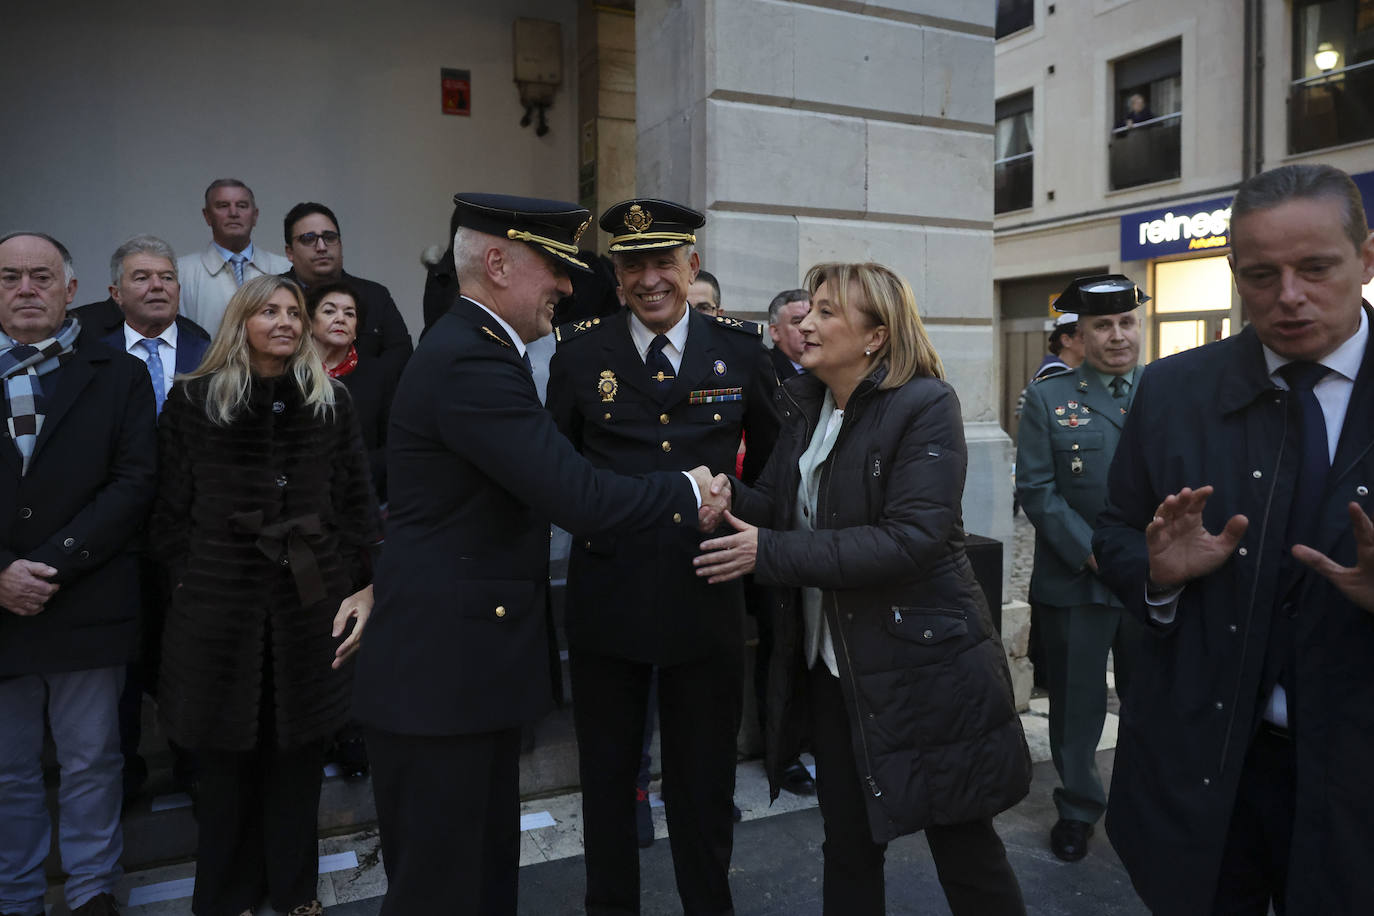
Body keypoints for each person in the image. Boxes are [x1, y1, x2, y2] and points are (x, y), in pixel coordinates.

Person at [351, 193, 723, 916]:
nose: (565, 284)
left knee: (480, 879)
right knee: (444, 889)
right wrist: (685, 488)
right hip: (443, 680)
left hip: (461, 674)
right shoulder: (471, 361)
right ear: (496, 263)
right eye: (552, 267)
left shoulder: (479, 350)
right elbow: (576, 495)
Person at [694, 261, 1029, 916]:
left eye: (825, 311)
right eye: (808, 309)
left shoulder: (926, 405)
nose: (805, 322)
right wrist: (733, 494)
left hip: (923, 668)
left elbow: (911, 539)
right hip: (833, 668)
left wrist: (770, 552)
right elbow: (785, 506)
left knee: (964, 848)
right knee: (847, 845)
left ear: (875, 337)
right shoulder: (808, 407)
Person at [1092, 163, 1374, 912]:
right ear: (1234, 275)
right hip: (1207, 774)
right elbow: (1115, 533)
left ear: (1366, 260)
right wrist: (1157, 574)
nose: (1287, 296)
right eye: (1260, 275)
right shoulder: (1173, 390)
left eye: (1315, 268)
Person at [548, 198, 772, 916]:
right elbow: (556, 469)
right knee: (609, 781)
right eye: (634, 264)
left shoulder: (741, 350)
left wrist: (738, 499)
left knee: (703, 784)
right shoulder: (580, 351)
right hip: (607, 595)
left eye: (663, 262)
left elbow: (776, 473)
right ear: (615, 277)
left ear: (692, 266)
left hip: (704, 594)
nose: (650, 279)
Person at [150, 275, 380, 916]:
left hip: (310, 608)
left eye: (293, 312)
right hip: (218, 613)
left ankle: (295, 893)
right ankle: (226, 899)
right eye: (268, 311)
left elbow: (357, 504)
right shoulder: (194, 401)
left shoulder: (331, 400)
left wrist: (363, 586)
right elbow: (169, 515)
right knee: (223, 772)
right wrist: (194, 584)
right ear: (239, 322)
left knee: (299, 763)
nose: (284, 321)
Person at [0, 232, 158, 916]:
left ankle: (94, 892)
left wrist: (54, 561)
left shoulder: (117, 371)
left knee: (93, 763)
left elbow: (134, 482)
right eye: (9, 277)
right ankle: (18, 895)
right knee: (7, 773)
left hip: (86, 597)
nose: (25, 289)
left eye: (41, 277)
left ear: (71, 291)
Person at [1015, 275, 1148, 862]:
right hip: (1079, 576)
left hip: (1156, 578)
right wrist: (1098, 554)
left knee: (1155, 698)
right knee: (1076, 703)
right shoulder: (1049, 398)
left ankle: (1149, 801)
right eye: (1103, 325)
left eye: (1127, 322)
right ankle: (1077, 807)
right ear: (1079, 333)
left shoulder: (1166, 389)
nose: (1118, 336)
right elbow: (1038, 491)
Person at [100, 235, 213, 799]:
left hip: (189, 535)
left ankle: (194, 766)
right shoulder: (92, 355)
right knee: (121, 664)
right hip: (113, 539)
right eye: (142, 277)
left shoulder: (206, 348)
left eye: (166, 276)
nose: (157, 286)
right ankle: (124, 774)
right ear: (115, 292)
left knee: (186, 655)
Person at [742, 287, 816, 798]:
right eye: (797, 321)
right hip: (774, 534)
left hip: (823, 540)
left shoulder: (828, 382)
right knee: (781, 647)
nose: (808, 329)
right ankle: (782, 752)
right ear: (773, 330)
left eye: (817, 317)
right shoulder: (764, 375)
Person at [280, 202, 413, 392]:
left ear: (340, 244)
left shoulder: (374, 295)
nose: (321, 246)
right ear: (289, 252)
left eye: (329, 237)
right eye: (309, 238)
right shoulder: (274, 296)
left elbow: (400, 353)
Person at [306, 281, 392, 504]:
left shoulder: (377, 374)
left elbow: (391, 446)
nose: (340, 319)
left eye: (349, 314)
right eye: (329, 311)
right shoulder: (291, 373)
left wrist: (352, 472)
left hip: (362, 496)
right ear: (309, 323)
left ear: (356, 329)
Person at [177, 179, 292, 336]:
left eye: (242, 206)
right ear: (207, 216)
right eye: (223, 206)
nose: (233, 213)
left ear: (255, 216)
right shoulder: (181, 273)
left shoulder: (285, 268)